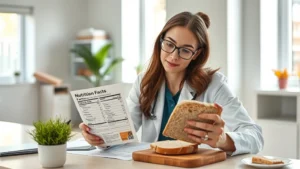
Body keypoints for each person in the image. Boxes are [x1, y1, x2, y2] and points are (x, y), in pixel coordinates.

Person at [79, 11, 264, 156]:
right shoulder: (144, 82)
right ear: (161, 41)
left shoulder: (214, 85)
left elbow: (255, 137)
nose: (174, 56)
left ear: (197, 54)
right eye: (169, 44)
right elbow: (125, 131)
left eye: (185, 50)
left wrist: (223, 140)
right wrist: (100, 137)